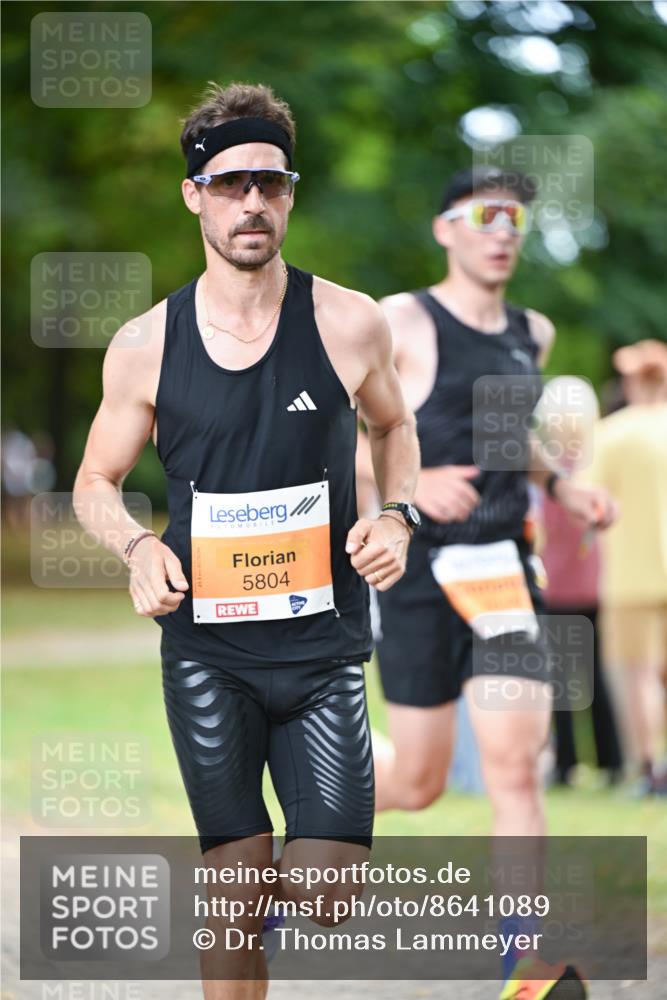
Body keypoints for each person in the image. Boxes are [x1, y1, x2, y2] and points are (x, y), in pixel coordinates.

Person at [73, 81, 420, 999]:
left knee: (327, 894)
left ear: (290, 192)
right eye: (230, 186)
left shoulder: (349, 321)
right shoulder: (146, 343)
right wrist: (139, 549)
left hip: (320, 651)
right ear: (195, 195)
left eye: (269, 182)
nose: (252, 203)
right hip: (206, 657)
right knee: (231, 899)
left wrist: (396, 513)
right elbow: (94, 482)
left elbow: (392, 427)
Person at [358, 165, 616, 998]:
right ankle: (307, 843)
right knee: (419, 784)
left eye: (514, 220)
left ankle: (522, 965)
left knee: (514, 766)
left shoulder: (528, 332)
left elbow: (511, 432)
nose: (503, 232)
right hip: (419, 572)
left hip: (503, 567)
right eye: (484, 216)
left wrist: (560, 485)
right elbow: (331, 431)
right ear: (445, 229)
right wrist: (411, 486)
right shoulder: (400, 319)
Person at [586, 339, 667, 794]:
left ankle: (652, 771)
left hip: (633, 576)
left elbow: (589, 502)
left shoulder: (614, 432)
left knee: (638, 675)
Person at [537, 377, 623, 787]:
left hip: (557, 584)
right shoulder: (595, 462)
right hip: (592, 583)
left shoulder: (549, 471)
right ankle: (611, 760)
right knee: (596, 675)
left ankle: (567, 762)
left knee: (563, 680)